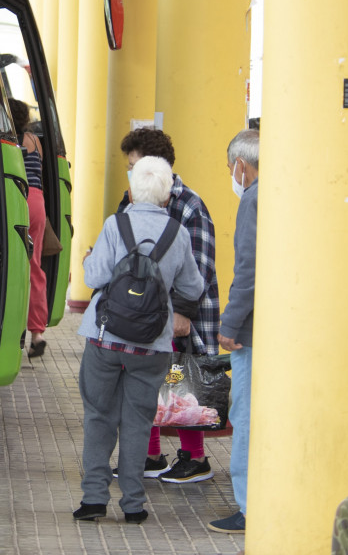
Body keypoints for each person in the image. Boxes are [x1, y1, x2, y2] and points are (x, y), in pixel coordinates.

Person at [72, 156, 204, 524]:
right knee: (138, 421)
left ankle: (94, 499)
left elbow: (95, 274)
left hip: (105, 339)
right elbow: (193, 286)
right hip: (152, 346)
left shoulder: (116, 224)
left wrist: (89, 260)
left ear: (131, 190)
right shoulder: (177, 232)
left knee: (99, 416)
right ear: (166, 196)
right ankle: (133, 504)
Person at [113, 127, 218, 484]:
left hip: (177, 318)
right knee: (143, 384)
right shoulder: (131, 201)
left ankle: (195, 457)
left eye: (135, 164)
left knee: (179, 381)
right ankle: (150, 455)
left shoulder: (190, 205)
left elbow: (199, 266)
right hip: (140, 315)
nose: (130, 173)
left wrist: (183, 313)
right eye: (129, 166)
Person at [209, 128, 259, 535]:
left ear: (241, 166)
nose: (232, 175)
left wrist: (229, 324)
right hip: (277, 328)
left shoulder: (254, 199)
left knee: (243, 414)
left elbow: (248, 269)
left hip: (252, 332)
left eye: (230, 168)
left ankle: (248, 506)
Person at [9, 98, 48, 358]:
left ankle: (10, 329)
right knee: (35, 266)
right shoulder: (36, 141)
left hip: (20, 198)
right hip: (39, 202)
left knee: (12, 263)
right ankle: (37, 333)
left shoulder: (11, 142)